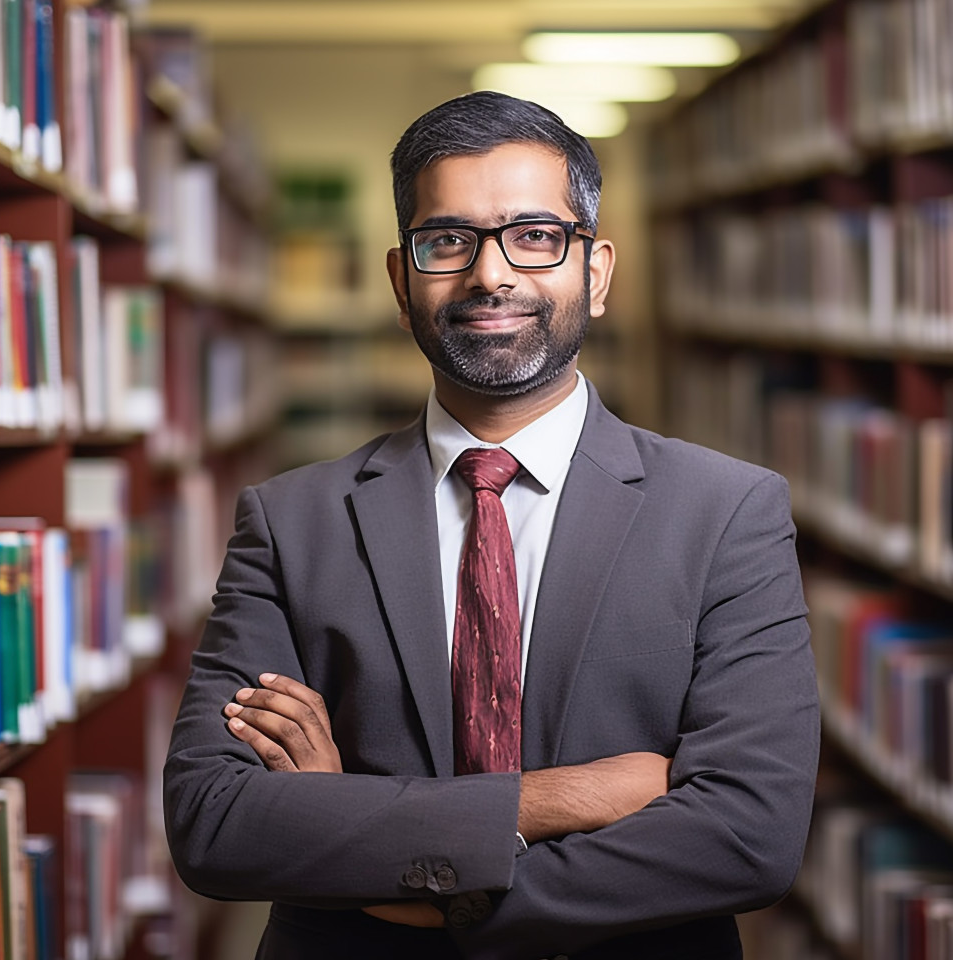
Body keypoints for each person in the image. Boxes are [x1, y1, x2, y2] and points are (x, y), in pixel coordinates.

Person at [163, 91, 820, 960]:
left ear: (596, 271)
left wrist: (383, 862)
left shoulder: (728, 513)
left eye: (535, 236)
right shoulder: (291, 522)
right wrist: (563, 798)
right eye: (448, 241)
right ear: (401, 282)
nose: (490, 275)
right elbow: (214, 822)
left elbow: (748, 837)